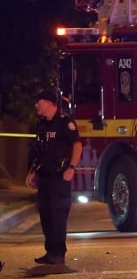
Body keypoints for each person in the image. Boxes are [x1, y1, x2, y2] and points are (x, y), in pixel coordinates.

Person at [25, 89, 83, 265]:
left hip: (59, 177)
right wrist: (32, 172)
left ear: (50, 104)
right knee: (45, 215)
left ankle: (58, 253)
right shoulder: (42, 125)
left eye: (39, 101)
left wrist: (71, 167)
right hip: (44, 177)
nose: (36, 105)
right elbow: (39, 151)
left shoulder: (65, 123)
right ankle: (50, 252)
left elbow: (77, 146)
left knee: (57, 215)